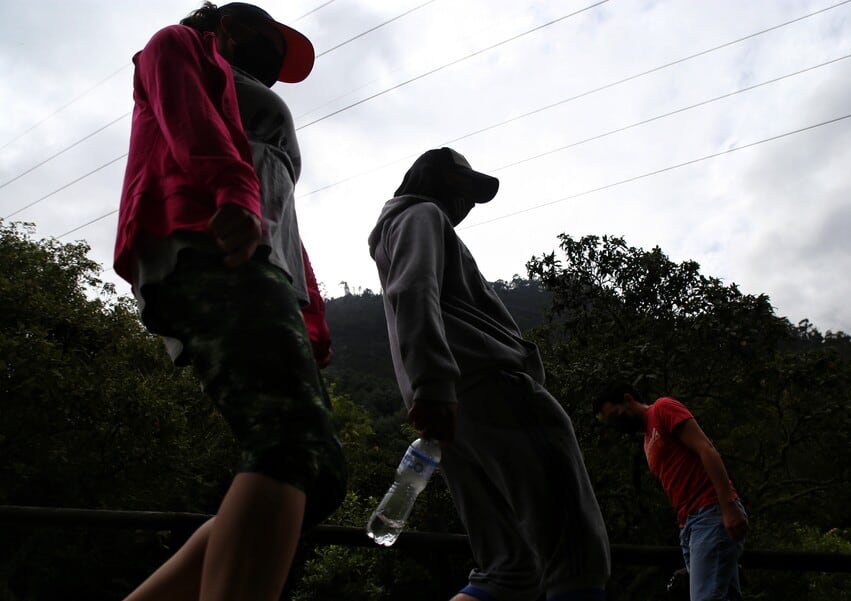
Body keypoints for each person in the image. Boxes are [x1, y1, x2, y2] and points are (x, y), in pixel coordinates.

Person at [113, 3, 346, 600]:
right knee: (288, 440)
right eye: (268, 42)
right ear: (230, 29)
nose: (274, 64)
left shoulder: (253, 110)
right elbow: (192, 121)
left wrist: (310, 316)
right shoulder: (178, 46)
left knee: (320, 474)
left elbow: (280, 214)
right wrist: (230, 187)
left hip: (257, 255)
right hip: (202, 236)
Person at [368, 147, 611, 601]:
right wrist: (435, 381)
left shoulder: (398, 227)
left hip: (452, 413)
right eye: (466, 190)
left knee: (509, 568)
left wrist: (432, 388)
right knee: (575, 551)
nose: (468, 206)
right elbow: (414, 289)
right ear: (440, 182)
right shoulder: (422, 214)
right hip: (486, 384)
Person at [595, 382, 749, 601]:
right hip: (690, 525)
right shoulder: (647, 440)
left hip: (711, 512)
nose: (616, 424)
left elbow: (706, 448)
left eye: (615, 415)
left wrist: (728, 504)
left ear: (628, 399)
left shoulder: (662, 408)